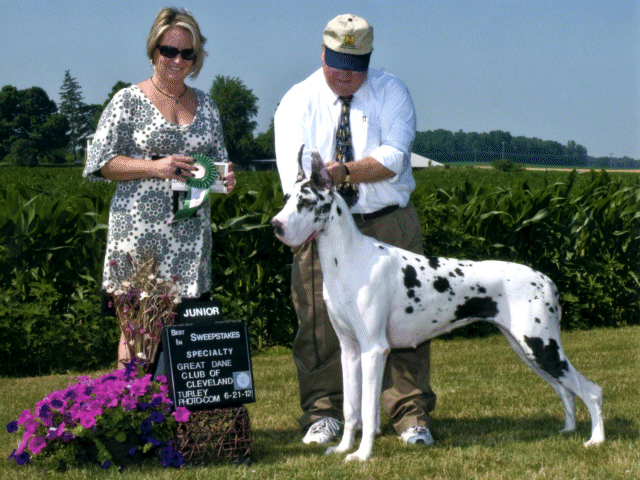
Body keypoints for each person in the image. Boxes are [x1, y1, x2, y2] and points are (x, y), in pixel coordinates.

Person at [274, 14, 437, 446]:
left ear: (369, 58)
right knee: (319, 324)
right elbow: (297, 178)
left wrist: (344, 171)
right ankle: (324, 413)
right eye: (337, 64)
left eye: (356, 65)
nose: (346, 75)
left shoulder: (392, 91)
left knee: (407, 324)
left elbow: (395, 157)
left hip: (388, 223)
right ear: (321, 53)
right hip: (323, 228)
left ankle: (410, 414)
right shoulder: (296, 101)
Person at [83, 7, 235, 365]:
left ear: (196, 58)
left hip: (190, 240)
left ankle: (174, 402)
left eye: (187, 53)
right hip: (140, 238)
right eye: (169, 51)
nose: (177, 60)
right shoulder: (127, 100)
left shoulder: (208, 105)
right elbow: (101, 163)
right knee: (139, 337)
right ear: (154, 51)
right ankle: (133, 400)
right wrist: (155, 167)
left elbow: (218, 161)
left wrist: (225, 177)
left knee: (186, 343)